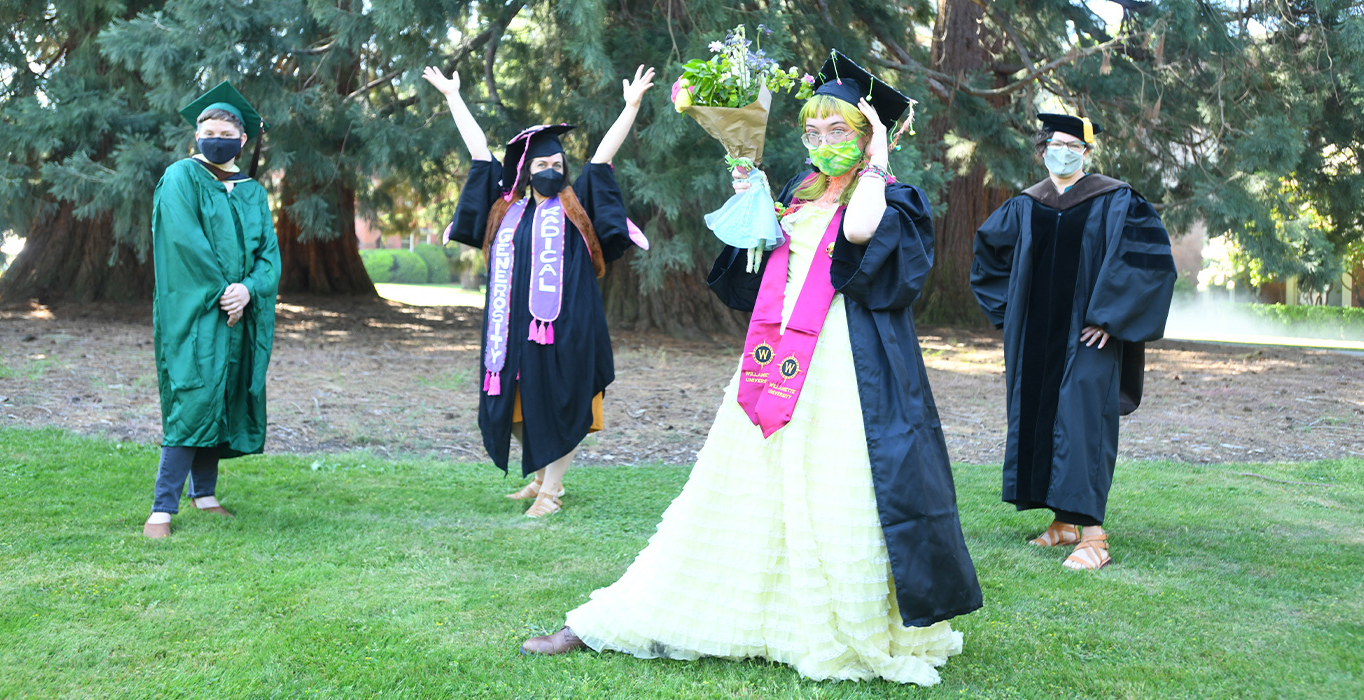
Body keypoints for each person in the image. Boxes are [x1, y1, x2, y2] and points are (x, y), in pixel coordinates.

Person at [519, 52, 982, 687]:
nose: (822, 144)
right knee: (737, 480)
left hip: (849, 368)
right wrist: (750, 197)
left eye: (839, 131)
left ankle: (819, 623)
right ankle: (641, 612)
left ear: (871, 135)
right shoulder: (798, 189)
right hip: (773, 359)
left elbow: (860, 233)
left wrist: (873, 165)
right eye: (813, 132)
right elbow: (761, 258)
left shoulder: (896, 197)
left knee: (834, 480)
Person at [425, 65, 654, 517]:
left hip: (567, 326)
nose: (551, 170)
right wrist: (454, 96)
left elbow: (603, 159)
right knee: (514, 407)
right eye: (541, 165)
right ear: (526, 170)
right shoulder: (505, 209)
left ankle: (551, 491)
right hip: (512, 331)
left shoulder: (575, 201)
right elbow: (478, 153)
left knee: (564, 403)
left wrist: (629, 109)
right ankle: (540, 479)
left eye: (556, 165)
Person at [970, 113, 1177, 570]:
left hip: (1089, 335)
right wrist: (1011, 313)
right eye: (1054, 144)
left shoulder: (1117, 199)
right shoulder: (1027, 204)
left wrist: (1111, 317)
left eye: (1072, 145)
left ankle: (1094, 537)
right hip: (1037, 336)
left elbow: (1146, 265)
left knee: (1083, 422)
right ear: (1042, 150)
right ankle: (1063, 525)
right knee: (1041, 418)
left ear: (1087, 152)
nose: (1062, 152)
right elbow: (988, 255)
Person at [143, 81, 280, 539]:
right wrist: (226, 293)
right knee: (193, 396)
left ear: (242, 140)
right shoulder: (182, 177)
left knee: (222, 396)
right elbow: (184, 244)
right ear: (196, 137)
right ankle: (162, 509)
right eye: (209, 130)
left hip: (238, 310)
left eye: (226, 131)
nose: (216, 137)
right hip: (197, 311)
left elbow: (269, 255)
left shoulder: (253, 192)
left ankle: (205, 495)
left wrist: (248, 290)